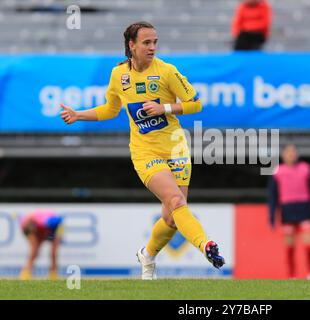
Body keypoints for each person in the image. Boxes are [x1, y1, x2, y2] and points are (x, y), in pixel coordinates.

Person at [60, 21, 225, 280]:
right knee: (177, 201)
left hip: (176, 148)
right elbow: (110, 109)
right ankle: (207, 245)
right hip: (145, 152)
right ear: (132, 45)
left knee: (171, 218)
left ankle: (147, 255)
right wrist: (78, 114)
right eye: (147, 42)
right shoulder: (119, 75)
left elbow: (196, 104)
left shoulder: (167, 72)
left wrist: (165, 109)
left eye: (155, 42)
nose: (152, 47)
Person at [268, 144, 310, 280]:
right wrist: (272, 216)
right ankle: (292, 276)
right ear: (283, 155)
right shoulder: (278, 171)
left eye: (293, 152)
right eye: (288, 152)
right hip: (287, 210)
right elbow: (273, 196)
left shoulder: (305, 168)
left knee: (309, 244)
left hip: (304, 209)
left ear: (297, 154)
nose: (291, 155)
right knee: (289, 247)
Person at [19, 209, 63, 280]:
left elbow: (59, 222)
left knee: (53, 253)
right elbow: (29, 232)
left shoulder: (46, 222)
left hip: (55, 227)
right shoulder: (26, 223)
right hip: (40, 227)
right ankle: (25, 273)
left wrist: (55, 236)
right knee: (34, 252)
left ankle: (53, 275)